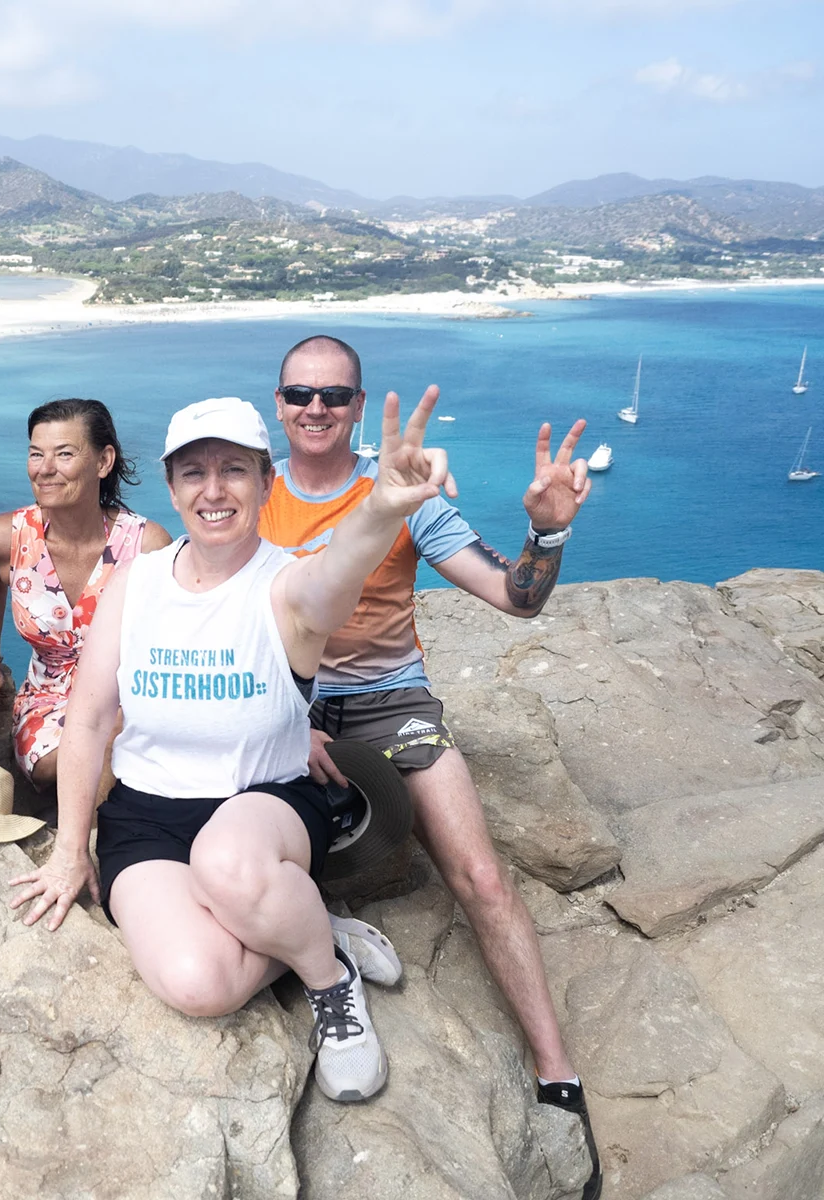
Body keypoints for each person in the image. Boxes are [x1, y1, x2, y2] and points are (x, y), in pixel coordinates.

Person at [10, 392, 449, 1103]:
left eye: (234, 471)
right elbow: (88, 719)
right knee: (198, 983)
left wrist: (381, 509)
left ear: (265, 482)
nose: (213, 490)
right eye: (193, 473)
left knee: (227, 862)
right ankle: (307, 923)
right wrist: (70, 849)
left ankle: (328, 981)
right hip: (147, 816)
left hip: (262, 808)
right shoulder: (136, 581)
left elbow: (341, 569)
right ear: (173, 486)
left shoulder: (287, 585)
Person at [259, 334, 600, 1196]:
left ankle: (558, 1075)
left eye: (334, 397)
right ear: (278, 403)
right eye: (300, 395)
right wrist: (284, 719)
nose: (315, 411)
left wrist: (547, 533)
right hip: (280, 704)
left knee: (482, 875)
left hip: (391, 705)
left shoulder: (403, 489)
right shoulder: (249, 492)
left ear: (357, 404)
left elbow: (515, 598)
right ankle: (324, 939)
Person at [0, 398, 170, 786]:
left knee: (115, 731)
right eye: (35, 454)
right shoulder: (6, 539)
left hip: (129, 699)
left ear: (103, 461)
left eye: (64, 454)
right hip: (49, 704)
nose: (45, 469)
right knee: (92, 754)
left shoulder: (147, 547)